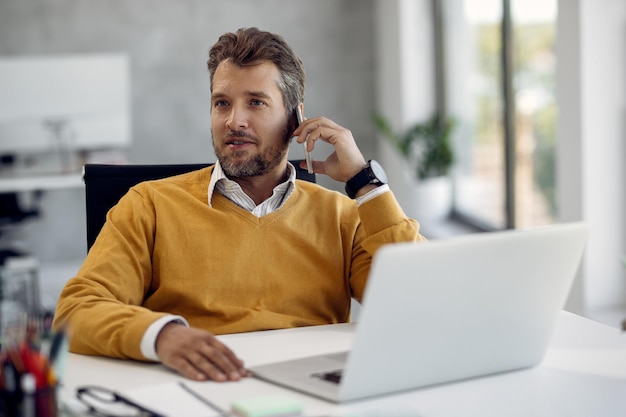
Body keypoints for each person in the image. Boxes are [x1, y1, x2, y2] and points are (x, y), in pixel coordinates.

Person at [53, 27, 425, 383]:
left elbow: (419, 303)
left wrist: (365, 183)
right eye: (222, 103)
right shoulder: (149, 204)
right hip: (196, 388)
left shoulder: (342, 217)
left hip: (312, 391)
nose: (234, 120)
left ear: (295, 118)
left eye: (256, 102)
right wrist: (161, 336)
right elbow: (76, 311)